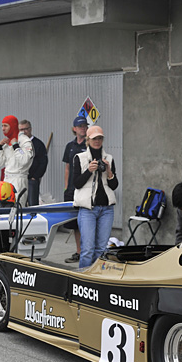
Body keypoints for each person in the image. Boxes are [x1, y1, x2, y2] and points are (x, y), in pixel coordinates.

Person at [71, 125, 118, 268]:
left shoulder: (108, 158)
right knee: (87, 249)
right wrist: (89, 171)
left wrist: (109, 172)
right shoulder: (79, 158)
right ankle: (83, 280)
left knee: (102, 249)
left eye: (100, 138)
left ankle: (98, 279)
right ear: (88, 140)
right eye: (94, 138)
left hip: (107, 209)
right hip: (87, 209)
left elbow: (114, 185)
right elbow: (77, 184)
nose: (97, 141)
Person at [62, 115, 89, 262]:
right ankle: (79, 251)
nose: (83, 128)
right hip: (72, 190)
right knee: (75, 223)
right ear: (74, 129)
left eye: (85, 126)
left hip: (85, 189)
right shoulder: (70, 146)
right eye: (80, 126)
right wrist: (66, 187)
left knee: (86, 221)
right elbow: (67, 167)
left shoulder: (90, 145)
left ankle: (87, 251)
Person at [0, 115, 33, 202]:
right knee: (5, 207)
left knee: (17, 208)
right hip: (6, 179)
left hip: (19, 179)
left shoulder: (24, 141)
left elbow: (24, 160)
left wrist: (16, 146)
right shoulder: (7, 142)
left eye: (6, 125)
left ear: (13, 126)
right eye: (2, 126)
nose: (3, 128)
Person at [19, 119, 47, 206]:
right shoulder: (17, 143)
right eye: (21, 130)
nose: (23, 132)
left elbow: (43, 162)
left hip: (31, 179)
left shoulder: (38, 144)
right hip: (19, 178)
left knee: (32, 204)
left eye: (25, 129)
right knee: (19, 202)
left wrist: (35, 177)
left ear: (30, 129)